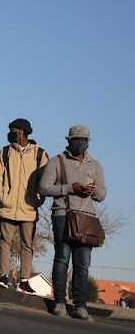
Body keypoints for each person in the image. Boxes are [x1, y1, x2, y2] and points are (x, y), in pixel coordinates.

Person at [39, 125, 106, 321]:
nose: (79, 143)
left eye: (83, 140)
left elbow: (102, 194)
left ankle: (80, 305)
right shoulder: (56, 162)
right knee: (62, 258)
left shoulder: (96, 165)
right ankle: (60, 301)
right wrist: (70, 187)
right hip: (63, 214)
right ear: (68, 140)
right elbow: (44, 188)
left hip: (87, 217)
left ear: (88, 142)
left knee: (83, 263)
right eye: (75, 139)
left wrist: (91, 190)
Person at [0, 118, 49, 291]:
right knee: (4, 242)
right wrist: (1, 195)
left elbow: (44, 180)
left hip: (28, 207)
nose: (9, 133)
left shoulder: (40, 154)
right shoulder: (5, 152)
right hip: (8, 206)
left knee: (27, 245)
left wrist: (37, 199)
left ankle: (24, 280)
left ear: (21, 132)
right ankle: (3, 276)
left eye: (12, 130)